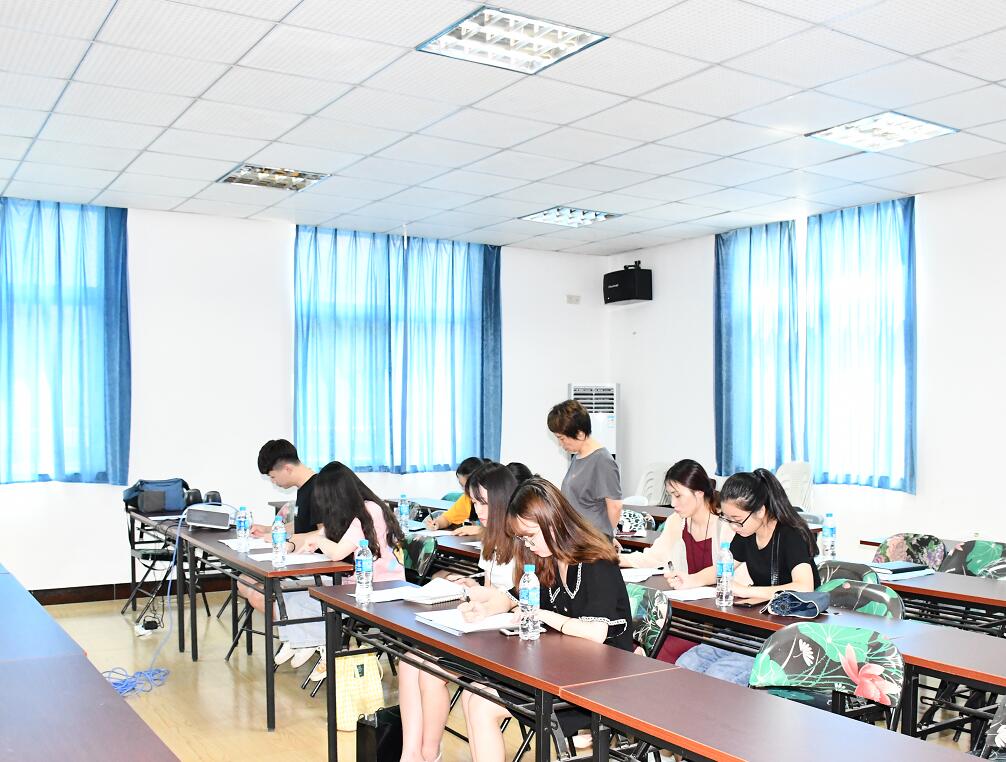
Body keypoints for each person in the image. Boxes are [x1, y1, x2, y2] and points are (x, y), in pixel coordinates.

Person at [458, 478, 631, 762]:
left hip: (601, 682)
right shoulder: (548, 558)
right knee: (473, 693)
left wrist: (543, 614)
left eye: (531, 535)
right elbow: (513, 597)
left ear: (552, 521)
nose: (528, 544)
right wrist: (485, 610)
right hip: (564, 669)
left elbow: (596, 633)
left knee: (482, 704)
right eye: (523, 538)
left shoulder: (596, 561)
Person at [238, 462, 405, 680]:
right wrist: (290, 545)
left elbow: (336, 552)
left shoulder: (370, 510)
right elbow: (317, 537)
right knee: (291, 595)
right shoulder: (348, 512)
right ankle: (301, 641)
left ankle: (320, 644)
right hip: (352, 582)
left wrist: (318, 541)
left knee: (307, 597)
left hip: (377, 588)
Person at [398, 463, 520, 762]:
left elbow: (521, 598)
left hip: (508, 637)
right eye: (475, 503)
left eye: (484, 503)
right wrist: (472, 588)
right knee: (409, 661)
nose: (479, 510)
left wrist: (486, 599)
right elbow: (491, 587)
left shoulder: (525, 539)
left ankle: (429, 752)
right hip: (486, 626)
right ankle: (412, 754)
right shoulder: (492, 538)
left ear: (503, 499)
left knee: (430, 674)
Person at [674, 468, 820, 685]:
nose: (733, 526)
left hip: (788, 633)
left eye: (737, 519)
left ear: (760, 511)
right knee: (686, 663)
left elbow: (805, 587)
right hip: (757, 623)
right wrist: (691, 580)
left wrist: (745, 590)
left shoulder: (790, 534)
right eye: (727, 519)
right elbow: (723, 567)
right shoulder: (746, 532)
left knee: (719, 676)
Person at [619, 459, 734, 663]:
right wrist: (615, 558)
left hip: (713, 620)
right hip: (684, 614)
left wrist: (693, 580)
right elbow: (654, 557)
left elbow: (729, 570)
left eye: (678, 495)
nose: (673, 503)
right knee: (630, 643)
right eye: (670, 495)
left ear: (699, 492)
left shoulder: (725, 524)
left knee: (656, 653)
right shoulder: (677, 521)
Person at [547, 399, 622, 536]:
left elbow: (615, 507)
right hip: (577, 536)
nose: (560, 444)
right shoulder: (578, 457)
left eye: (562, 438)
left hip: (592, 540)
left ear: (580, 433)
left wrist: (604, 537)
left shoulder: (602, 460)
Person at [253, 439, 319, 537]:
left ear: (287, 469)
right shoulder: (303, 488)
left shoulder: (320, 488)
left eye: (273, 477)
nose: (273, 482)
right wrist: (267, 530)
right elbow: (301, 525)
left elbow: (325, 534)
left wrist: (289, 541)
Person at [424, 456, 486, 533]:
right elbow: (447, 518)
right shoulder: (467, 499)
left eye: (466, 486)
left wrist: (480, 530)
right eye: (461, 485)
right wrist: (437, 523)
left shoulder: (495, 498)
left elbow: (500, 528)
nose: (464, 490)